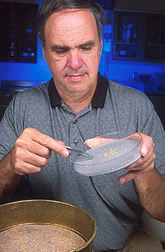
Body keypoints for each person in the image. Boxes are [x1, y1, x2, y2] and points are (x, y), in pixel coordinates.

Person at [0, 0, 165, 251]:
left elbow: (162, 211)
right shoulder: (22, 106)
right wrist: (11, 164)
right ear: (44, 52)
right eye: (60, 50)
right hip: (49, 244)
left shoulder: (137, 106)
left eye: (86, 47)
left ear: (100, 46)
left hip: (124, 244)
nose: (75, 63)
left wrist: (145, 170)